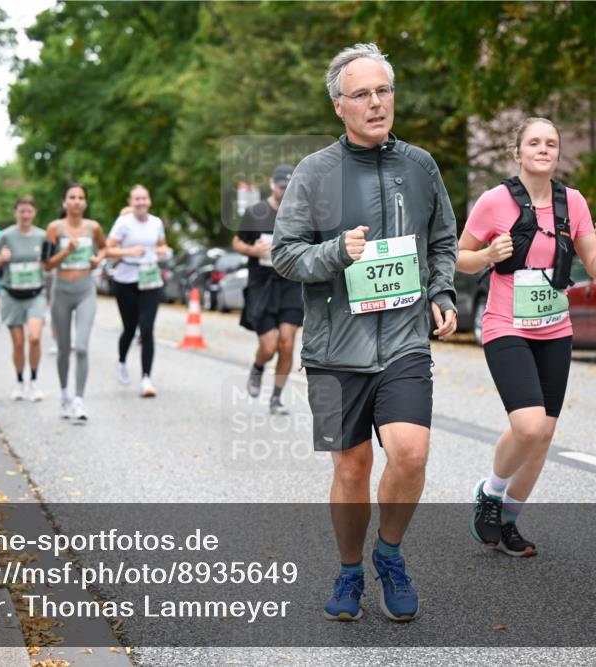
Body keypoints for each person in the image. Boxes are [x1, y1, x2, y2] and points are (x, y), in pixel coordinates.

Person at [271, 43, 458, 622]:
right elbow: (284, 254)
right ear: (339, 106)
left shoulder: (421, 166)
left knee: (411, 451)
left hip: (403, 340)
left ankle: (390, 554)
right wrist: (335, 253)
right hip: (334, 350)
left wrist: (441, 292)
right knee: (351, 467)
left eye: (384, 91)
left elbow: (443, 242)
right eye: (362, 94)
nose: (377, 103)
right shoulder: (315, 172)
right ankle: (350, 570)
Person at [456, 117, 596, 557]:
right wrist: (489, 254)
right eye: (534, 142)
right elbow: (461, 257)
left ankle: (509, 523)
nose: (543, 149)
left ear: (558, 152)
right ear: (518, 153)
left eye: (551, 143)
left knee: (544, 434)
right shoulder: (494, 201)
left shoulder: (573, 203)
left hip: (554, 326)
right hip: (506, 325)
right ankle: (490, 492)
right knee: (527, 425)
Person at [233, 164, 303, 416]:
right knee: (269, 346)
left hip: (291, 285)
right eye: (281, 186)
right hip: (262, 285)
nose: (285, 191)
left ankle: (276, 397)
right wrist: (253, 250)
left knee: (287, 343)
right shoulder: (256, 212)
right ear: (273, 185)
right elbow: (237, 241)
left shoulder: (302, 213)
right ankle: (258, 366)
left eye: (289, 187)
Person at [42, 184, 107, 420]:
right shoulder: (54, 228)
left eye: (81, 198)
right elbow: (46, 264)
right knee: (63, 349)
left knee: (81, 347)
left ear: (86, 203)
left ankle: (79, 400)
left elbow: (105, 249)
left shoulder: (93, 227)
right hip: (61, 291)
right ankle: (64, 395)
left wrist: (96, 260)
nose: (77, 201)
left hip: (85, 291)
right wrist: (65, 252)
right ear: (64, 202)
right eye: (72, 197)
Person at [106, 185, 169, 398]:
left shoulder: (156, 223)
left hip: (150, 279)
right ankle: (122, 361)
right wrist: (129, 251)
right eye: (136, 199)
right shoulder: (123, 223)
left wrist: (161, 251)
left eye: (144, 198)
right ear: (131, 202)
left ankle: (146, 379)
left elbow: (162, 245)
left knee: (147, 328)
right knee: (130, 328)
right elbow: (108, 249)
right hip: (126, 279)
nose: (141, 202)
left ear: (149, 200)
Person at [0, 196, 47, 402]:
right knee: (18, 343)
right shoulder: (6, 236)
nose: (25, 215)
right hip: (12, 294)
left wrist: (44, 263)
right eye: (21, 211)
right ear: (16, 213)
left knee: (34, 338)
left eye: (29, 211)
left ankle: (34, 380)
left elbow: (50, 264)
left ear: (34, 213)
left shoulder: (42, 236)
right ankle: (19, 381)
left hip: (35, 294)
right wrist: (1, 258)